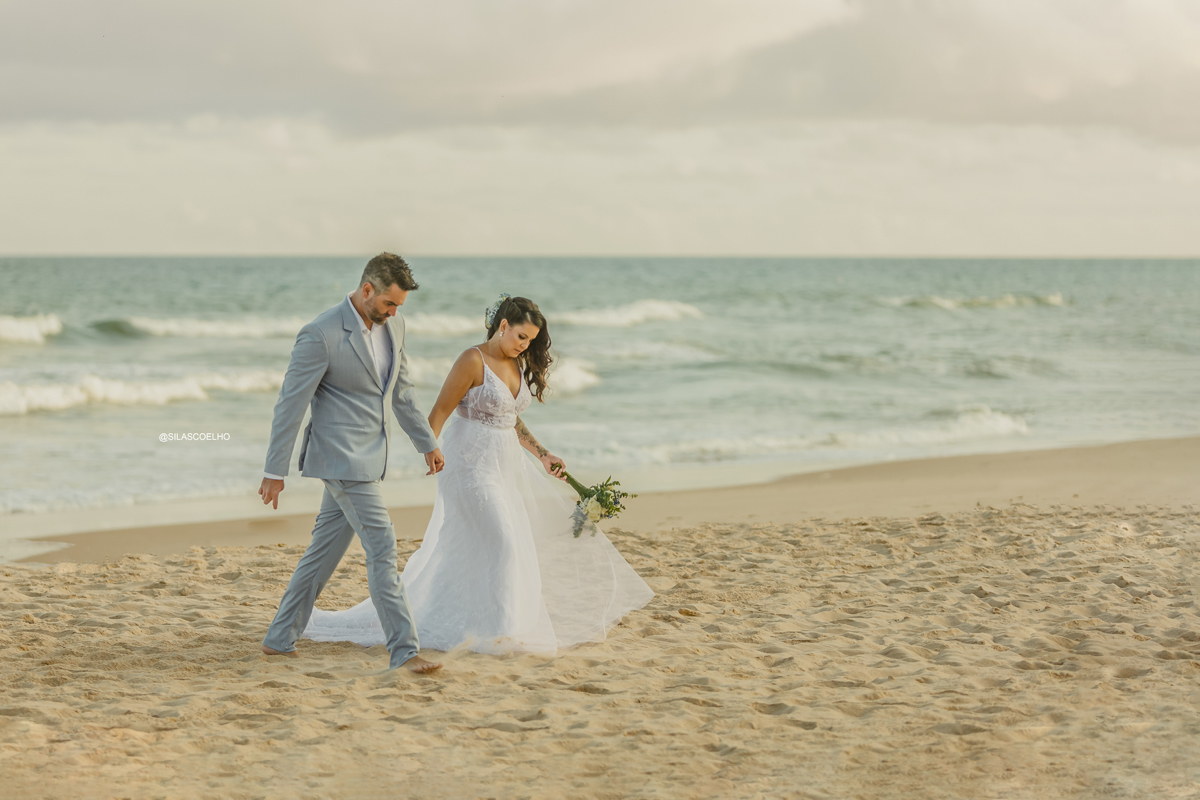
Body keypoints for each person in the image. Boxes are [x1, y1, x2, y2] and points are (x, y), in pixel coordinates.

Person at [302, 295, 654, 654]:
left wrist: (544, 454)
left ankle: (482, 624)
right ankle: (498, 634)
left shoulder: (515, 363)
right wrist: (428, 452)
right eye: (521, 337)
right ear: (503, 326)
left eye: (531, 340)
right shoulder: (473, 360)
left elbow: (508, 418)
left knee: (477, 548)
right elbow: (440, 410)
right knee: (502, 541)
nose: (525, 345)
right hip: (467, 466)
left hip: (505, 468)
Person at [257, 253, 444, 674]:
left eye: (399, 306)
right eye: (388, 303)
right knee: (383, 547)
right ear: (366, 290)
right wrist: (275, 471)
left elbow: (402, 394)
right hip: (340, 458)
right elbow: (291, 405)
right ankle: (405, 651)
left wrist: (426, 443)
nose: (394, 312)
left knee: (323, 552)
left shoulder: (394, 327)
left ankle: (280, 637)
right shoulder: (320, 334)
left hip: (372, 459)